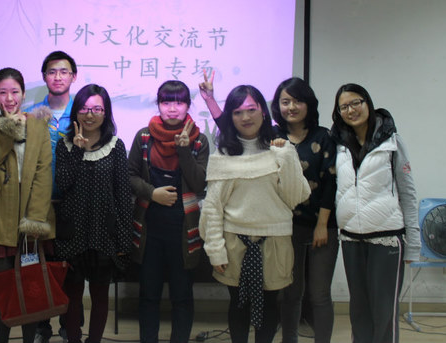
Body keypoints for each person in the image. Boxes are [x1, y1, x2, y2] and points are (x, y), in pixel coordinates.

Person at [199, 85, 310, 343]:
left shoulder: (280, 149)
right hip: (234, 242)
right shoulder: (222, 155)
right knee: (239, 305)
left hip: (275, 242)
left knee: (270, 306)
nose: (245, 117)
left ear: (263, 111)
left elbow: (296, 197)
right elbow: (213, 208)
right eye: (237, 112)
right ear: (230, 117)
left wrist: (287, 157)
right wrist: (215, 250)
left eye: (251, 109)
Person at [330, 83, 419, 343]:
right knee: (359, 310)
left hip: (387, 237)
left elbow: (408, 193)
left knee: (383, 311)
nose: (351, 110)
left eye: (356, 103)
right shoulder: (338, 144)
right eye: (344, 107)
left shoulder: (392, 142)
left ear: (367, 102)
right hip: (351, 238)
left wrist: (413, 244)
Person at [0, 67, 55, 343]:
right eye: (2, 92)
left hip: (31, 219)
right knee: (5, 290)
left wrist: (35, 220)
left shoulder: (38, 125)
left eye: (15, 92)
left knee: (30, 290)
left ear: (23, 94)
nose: (9, 98)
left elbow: (44, 172)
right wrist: (7, 132)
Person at [128, 80, 210, 343]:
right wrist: (152, 193)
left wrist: (183, 150)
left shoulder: (199, 141)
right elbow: (129, 176)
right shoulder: (144, 137)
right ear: (158, 104)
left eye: (179, 102)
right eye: (166, 102)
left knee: (182, 295)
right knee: (148, 294)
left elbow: (199, 183)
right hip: (150, 227)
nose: (172, 108)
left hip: (183, 228)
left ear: (188, 105)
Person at [54, 84, 133, 343]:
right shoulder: (65, 145)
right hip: (72, 234)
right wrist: (77, 150)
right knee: (72, 296)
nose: (90, 115)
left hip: (104, 235)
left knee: (100, 297)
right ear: (76, 111)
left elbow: (123, 196)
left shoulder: (115, 146)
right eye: (85, 109)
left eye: (97, 109)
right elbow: (63, 183)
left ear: (105, 112)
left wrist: (123, 240)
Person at [270, 78, 338, 343]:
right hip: (285, 227)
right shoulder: (272, 137)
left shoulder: (324, 136)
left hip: (322, 225)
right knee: (290, 293)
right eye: (285, 101)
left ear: (308, 104)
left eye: (297, 101)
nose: (291, 107)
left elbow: (331, 182)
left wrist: (322, 225)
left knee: (319, 294)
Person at [25, 51, 78, 343]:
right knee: (40, 269)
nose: (58, 77)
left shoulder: (83, 111)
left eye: (64, 71)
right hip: (40, 204)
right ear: (44, 76)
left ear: (73, 76)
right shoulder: (33, 114)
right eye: (52, 71)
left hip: (73, 203)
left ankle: (70, 326)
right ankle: (41, 327)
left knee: (71, 272)